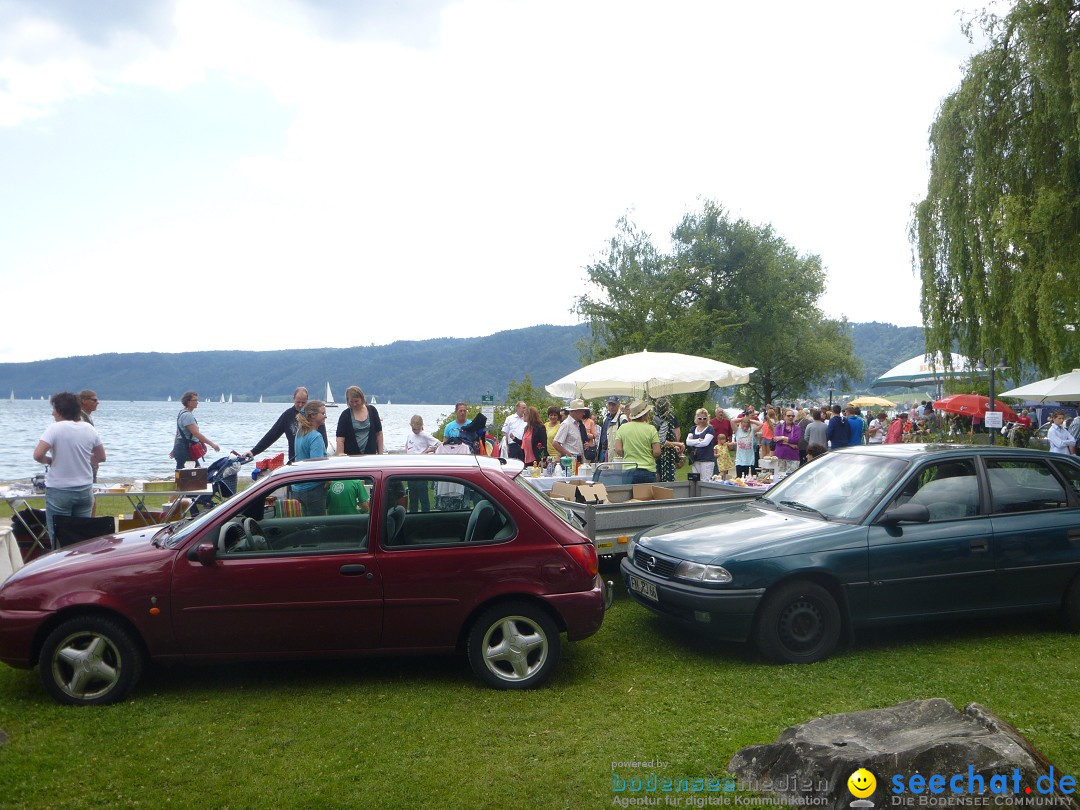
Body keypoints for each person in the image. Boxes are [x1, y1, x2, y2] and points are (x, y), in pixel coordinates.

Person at [33, 392, 107, 544]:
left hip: (60, 489)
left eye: (54, 409)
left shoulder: (55, 428)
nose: (52, 413)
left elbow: (38, 455)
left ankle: (59, 565)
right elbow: (101, 457)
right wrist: (88, 459)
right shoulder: (89, 428)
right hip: (84, 489)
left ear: (60, 411)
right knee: (81, 535)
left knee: (59, 535)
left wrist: (50, 460)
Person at [249, 386, 327, 463]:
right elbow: (272, 435)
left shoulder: (316, 418)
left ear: (307, 400)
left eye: (303, 402)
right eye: (298, 402)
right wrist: (253, 452)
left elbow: (323, 442)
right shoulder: (287, 416)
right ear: (294, 399)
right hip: (295, 462)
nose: (300, 405)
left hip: (307, 462)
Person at [293, 400, 329, 515]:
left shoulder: (300, 433)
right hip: (313, 490)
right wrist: (328, 479)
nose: (325, 416)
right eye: (322, 413)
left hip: (298, 488)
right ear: (313, 415)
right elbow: (316, 467)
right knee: (317, 525)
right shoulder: (316, 436)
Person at [614, 399, 662, 484]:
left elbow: (618, 450)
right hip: (648, 470)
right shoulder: (651, 429)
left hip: (628, 470)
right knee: (647, 496)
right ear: (645, 414)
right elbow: (657, 452)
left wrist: (627, 454)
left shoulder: (623, 428)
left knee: (629, 497)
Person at [171, 391, 220, 470]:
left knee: (191, 473)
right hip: (185, 449)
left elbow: (178, 434)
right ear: (188, 401)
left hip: (181, 447)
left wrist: (174, 449)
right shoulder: (187, 415)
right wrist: (212, 444)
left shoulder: (182, 413)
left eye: (197, 400)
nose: (197, 402)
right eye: (195, 400)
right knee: (190, 474)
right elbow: (196, 433)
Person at [335, 386, 384, 455]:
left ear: (362, 399)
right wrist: (341, 456)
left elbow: (379, 433)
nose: (354, 404)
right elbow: (340, 438)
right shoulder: (345, 415)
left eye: (357, 401)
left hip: (370, 455)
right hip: (351, 456)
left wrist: (380, 454)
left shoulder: (372, 411)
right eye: (351, 402)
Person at [653, 397, 683, 482]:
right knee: (668, 478)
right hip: (667, 453)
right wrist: (677, 444)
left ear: (656, 407)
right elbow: (677, 433)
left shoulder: (654, 419)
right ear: (668, 407)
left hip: (656, 452)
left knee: (658, 475)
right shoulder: (670, 417)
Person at [684, 408, 716, 481]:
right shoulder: (693, 428)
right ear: (696, 418)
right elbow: (688, 442)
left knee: (706, 481)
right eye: (700, 418)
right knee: (695, 480)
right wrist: (699, 440)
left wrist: (693, 442)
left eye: (704, 418)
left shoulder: (710, 429)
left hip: (707, 460)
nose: (702, 420)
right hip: (695, 459)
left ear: (707, 418)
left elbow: (705, 443)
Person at [78, 389, 101, 481]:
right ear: (84, 401)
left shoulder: (87, 416)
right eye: (94, 400)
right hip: (84, 461)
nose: (97, 403)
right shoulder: (79, 418)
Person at [772, 408, 802, 476]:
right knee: (779, 477)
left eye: (792, 416)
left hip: (793, 457)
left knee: (792, 477)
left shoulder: (797, 428)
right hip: (780, 456)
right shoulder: (778, 427)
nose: (791, 417)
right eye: (788, 416)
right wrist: (790, 444)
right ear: (784, 416)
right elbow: (776, 440)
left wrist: (782, 437)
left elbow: (795, 440)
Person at [598, 396, 627, 463]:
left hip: (616, 455)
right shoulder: (605, 419)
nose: (611, 407)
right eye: (609, 404)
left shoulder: (622, 418)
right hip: (604, 453)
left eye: (613, 405)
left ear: (618, 405)